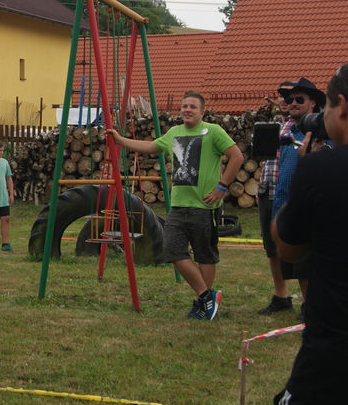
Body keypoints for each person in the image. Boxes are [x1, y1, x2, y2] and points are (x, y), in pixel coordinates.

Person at [266, 61, 348, 405]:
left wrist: (305, 177)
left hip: (338, 359)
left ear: (342, 105)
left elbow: (289, 248)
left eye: (326, 107)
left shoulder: (323, 169)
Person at [110, 90, 243, 320]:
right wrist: (120, 140)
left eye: (192, 106)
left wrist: (222, 186)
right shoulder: (174, 133)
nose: (187, 110)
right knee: (172, 250)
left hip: (205, 206)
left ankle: (203, 305)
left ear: (202, 112)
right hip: (179, 205)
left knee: (205, 255)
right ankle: (207, 296)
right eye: (184, 106)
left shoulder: (213, 131)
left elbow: (237, 156)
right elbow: (150, 147)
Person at [261, 78, 327, 317]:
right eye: (290, 99)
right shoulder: (288, 131)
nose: (293, 103)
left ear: (313, 103)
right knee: (295, 264)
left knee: (308, 264)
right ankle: (306, 306)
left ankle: (313, 308)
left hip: (309, 207)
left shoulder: (321, 132)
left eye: (300, 99)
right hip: (284, 203)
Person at [256, 82, 296, 315]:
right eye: (282, 97)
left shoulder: (302, 126)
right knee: (272, 249)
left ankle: (308, 300)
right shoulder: (277, 125)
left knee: (298, 246)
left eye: (290, 97)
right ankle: (282, 296)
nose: (284, 101)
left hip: (289, 192)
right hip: (268, 188)